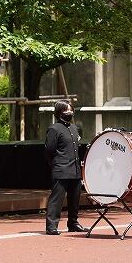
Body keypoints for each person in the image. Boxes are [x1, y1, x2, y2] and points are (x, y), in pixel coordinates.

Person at [44, 100, 88, 235]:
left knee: (75, 199)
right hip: (61, 169)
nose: (69, 113)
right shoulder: (54, 129)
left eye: (71, 110)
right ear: (59, 113)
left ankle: (73, 223)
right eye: (66, 111)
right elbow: (49, 150)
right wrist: (56, 164)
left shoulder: (74, 128)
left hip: (75, 170)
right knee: (56, 199)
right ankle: (51, 225)